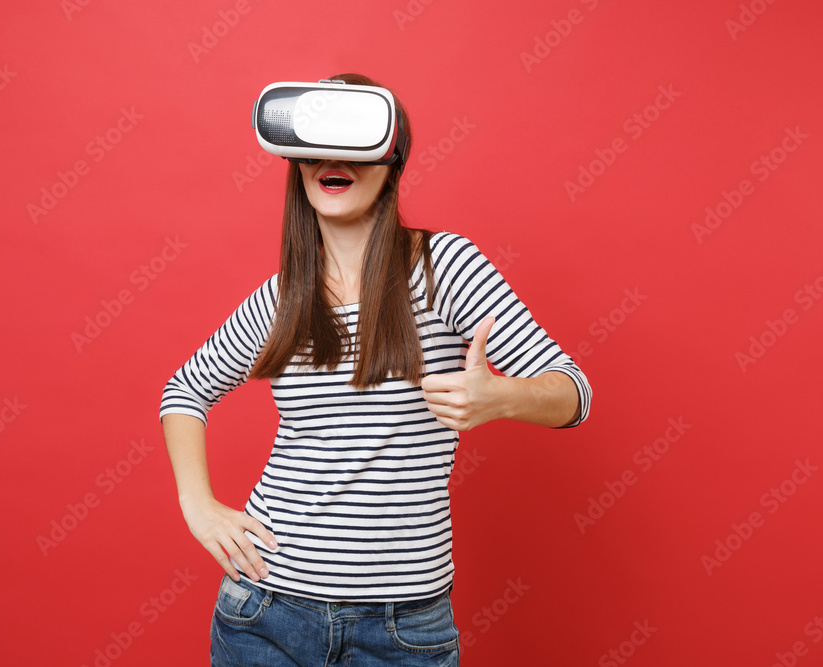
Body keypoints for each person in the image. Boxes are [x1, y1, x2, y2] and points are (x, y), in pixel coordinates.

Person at [160, 73, 592, 666]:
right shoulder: (284, 297)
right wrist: (198, 505)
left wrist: (501, 397)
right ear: (296, 162)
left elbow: (574, 392)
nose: (332, 161)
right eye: (316, 146)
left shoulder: (445, 270)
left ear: (391, 159)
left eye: (353, 143)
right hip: (264, 611)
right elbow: (186, 389)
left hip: (402, 630)